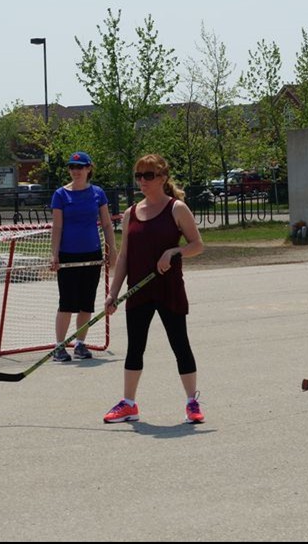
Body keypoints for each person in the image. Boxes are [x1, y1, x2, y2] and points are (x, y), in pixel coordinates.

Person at [102, 154, 205, 424]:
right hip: (139, 290)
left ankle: (192, 402)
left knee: (180, 344)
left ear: (162, 178)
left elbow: (197, 245)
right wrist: (113, 293)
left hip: (169, 288)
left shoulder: (176, 208)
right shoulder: (131, 213)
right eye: (138, 176)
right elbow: (124, 256)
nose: (142, 181)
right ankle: (129, 404)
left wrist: (173, 252)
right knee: (135, 348)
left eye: (148, 175)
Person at [50, 151, 117, 362]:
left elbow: (107, 224)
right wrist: (54, 255)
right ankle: (59, 346)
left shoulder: (98, 193)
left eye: (80, 167)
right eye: (72, 167)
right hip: (68, 255)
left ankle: (80, 343)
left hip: (92, 254)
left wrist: (112, 249)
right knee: (67, 302)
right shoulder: (61, 195)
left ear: (89, 169)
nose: (75, 171)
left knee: (86, 302)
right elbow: (57, 227)